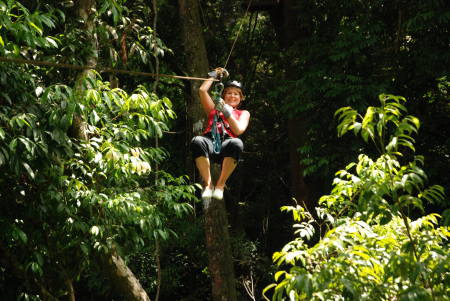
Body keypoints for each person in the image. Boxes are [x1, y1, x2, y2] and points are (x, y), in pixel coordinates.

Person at [190, 68, 250, 201]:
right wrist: (214, 75)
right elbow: (202, 91)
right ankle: (208, 185)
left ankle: (220, 186)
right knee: (197, 141)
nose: (232, 96)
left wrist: (226, 112)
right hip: (210, 140)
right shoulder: (213, 109)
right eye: (229, 93)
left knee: (237, 143)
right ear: (223, 95)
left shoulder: (243, 113)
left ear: (240, 98)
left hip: (227, 145)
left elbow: (239, 130)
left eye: (236, 94)